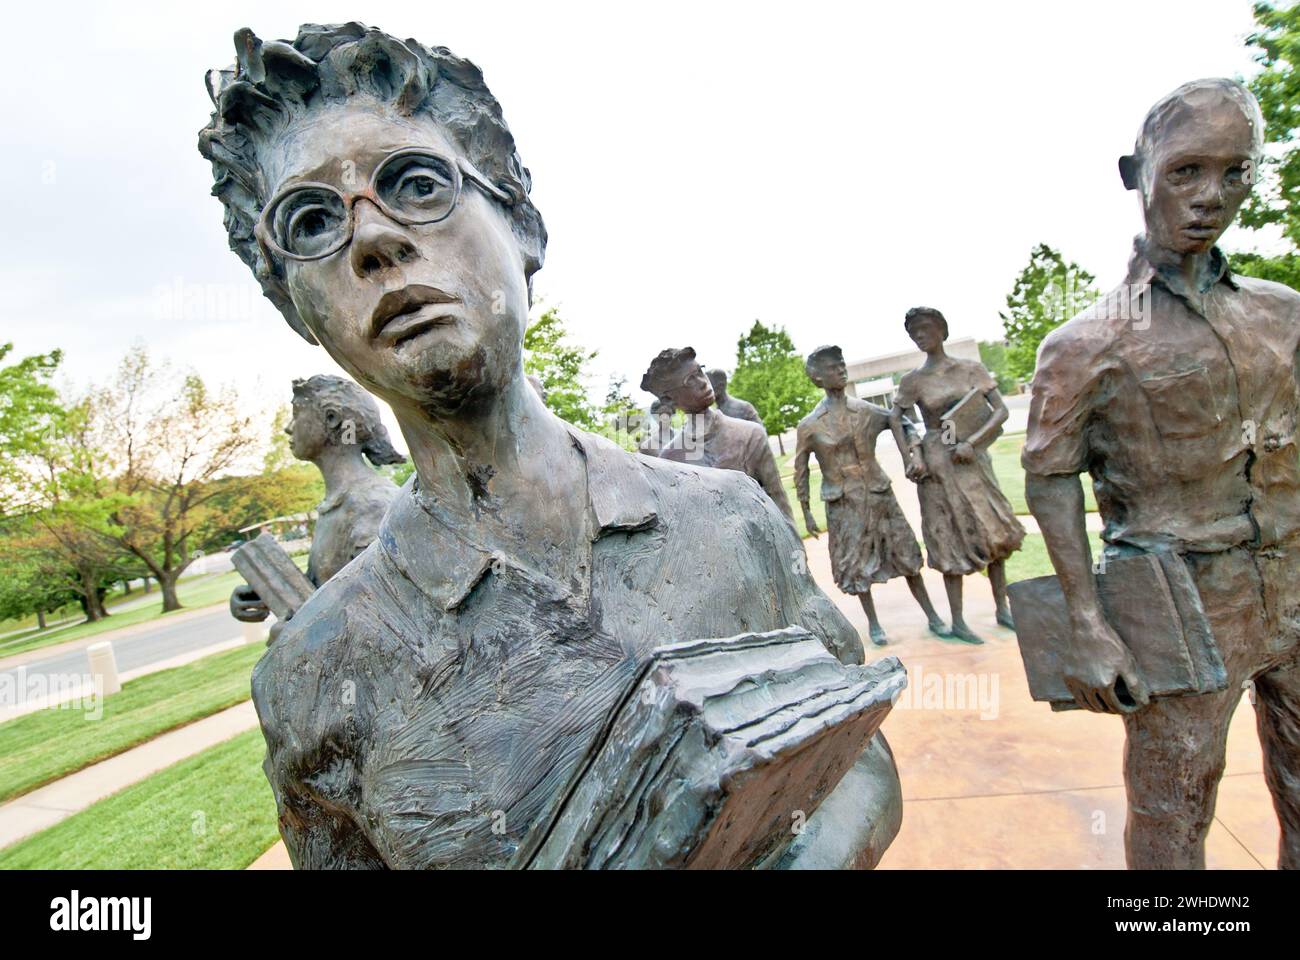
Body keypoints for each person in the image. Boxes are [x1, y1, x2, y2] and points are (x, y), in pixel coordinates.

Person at [198, 22, 902, 869]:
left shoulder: (733, 523)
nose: (375, 240)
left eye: (416, 184)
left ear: (521, 222)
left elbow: (856, 752)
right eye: (311, 222)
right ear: (293, 308)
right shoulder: (313, 677)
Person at [1023, 78, 1300, 869]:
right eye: (1186, 171)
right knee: (1173, 812)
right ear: (1134, 172)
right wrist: (1086, 620)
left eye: (1235, 172)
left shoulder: (1285, 313)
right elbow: (1049, 479)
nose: (1212, 196)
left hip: (1296, 592)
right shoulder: (1084, 344)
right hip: (1179, 611)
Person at [229, 374, 404, 637]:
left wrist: (297, 637)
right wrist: (267, 591)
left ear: (331, 419)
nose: (289, 427)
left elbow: (389, 618)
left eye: (296, 414)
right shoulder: (338, 505)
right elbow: (330, 589)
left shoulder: (372, 505)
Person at [796, 345, 946, 645]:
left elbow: (901, 422)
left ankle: (932, 615)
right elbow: (802, 469)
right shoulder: (810, 425)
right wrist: (807, 510)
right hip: (843, 503)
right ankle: (874, 623)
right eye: (831, 367)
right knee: (855, 565)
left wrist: (914, 454)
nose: (839, 369)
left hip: (879, 494)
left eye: (841, 364)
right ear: (817, 379)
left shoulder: (865, 410)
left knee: (905, 554)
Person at [890, 307, 1024, 643]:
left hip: (971, 458)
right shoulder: (912, 381)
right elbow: (898, 419)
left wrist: (974, 442)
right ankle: (959, 621)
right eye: (913, 332)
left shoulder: (970, 369)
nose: (920, 335)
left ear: (941, 330)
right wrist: (912, 454)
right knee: (948, 534)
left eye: (925, 328)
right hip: (939, 463)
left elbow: (1001, 410)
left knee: (991, 529)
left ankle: (1002, 607)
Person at [641, 347, 795, 524]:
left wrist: (797, 552)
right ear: (669, 400)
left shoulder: (750, 435)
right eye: (690, 380)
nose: (703, 382)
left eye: (700, 372)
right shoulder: (670, 459)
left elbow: (780, 504)